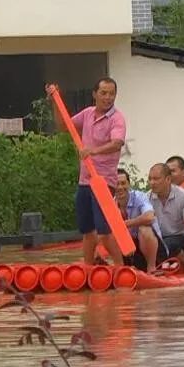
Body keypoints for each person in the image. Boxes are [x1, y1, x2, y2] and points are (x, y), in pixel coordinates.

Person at [47, 78, 127, 267]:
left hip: (104, 181)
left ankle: (120, 267)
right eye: (104, 93)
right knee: (87, 231)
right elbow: (63, 126)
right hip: (84, 181)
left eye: (111, 94)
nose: (108, 98)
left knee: (104, 233)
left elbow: (117, 143)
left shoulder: (117, 119)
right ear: (95, 94)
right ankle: (89, 268)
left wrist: (93, 150)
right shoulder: (88, 114)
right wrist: (55, 101)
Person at [146, 163, 184, 274]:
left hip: (181, 237)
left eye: (156, 179)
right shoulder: (147, 198)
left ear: (168, 179)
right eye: (150, 179)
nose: (152, 182)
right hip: (161, 239)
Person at [115, 169, 167, 274]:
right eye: (116, 184)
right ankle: (121, 267)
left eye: (123, 183)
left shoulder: (139, 196)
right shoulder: (111, 203)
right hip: (130, 249)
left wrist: (125, 224)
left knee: (144, 229)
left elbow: (149, 217)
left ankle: (152, 268)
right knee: (107, 234)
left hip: (154, 250)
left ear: (129, 185)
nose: (120, 187)